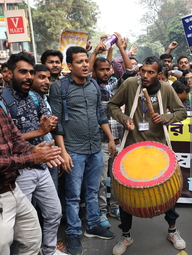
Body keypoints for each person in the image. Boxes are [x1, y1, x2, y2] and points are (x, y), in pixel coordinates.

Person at [108, 56, 187, 255]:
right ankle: (125, 235)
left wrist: (166, 117)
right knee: (126, 196)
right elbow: (112, 106)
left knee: (167, 195)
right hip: (131, 148)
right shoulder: (129, 84)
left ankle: (172, 230)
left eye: (150, 72)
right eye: (143, 70)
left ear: (159, 74)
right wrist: (124, 119)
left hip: (158, 150)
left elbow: (181, 112)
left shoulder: (167, 89)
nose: (144, 75)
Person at [49, 46, 115, 255]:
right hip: (73, 150)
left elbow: (99, 115)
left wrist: (111, 138)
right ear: (70, 66)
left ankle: (93, 225)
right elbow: (56, 124)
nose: (85, 64)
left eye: (86, 61)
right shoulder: (59, 88)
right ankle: (73, 232)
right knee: (73, 196)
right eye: (80, 61)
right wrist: (63, 152)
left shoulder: (94, 85)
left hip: (95, 147)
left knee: (93, 190)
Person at [1, 52, 66, 255]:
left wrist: (44, 142)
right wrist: (39, 135)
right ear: (8, 74)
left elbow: (18, 136)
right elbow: (11, 142)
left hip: (40, 163)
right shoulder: (3, 101)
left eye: (31, 72)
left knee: (53, 213)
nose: (28, 77)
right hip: (19, 171)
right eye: (23, 72)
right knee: (12, 233)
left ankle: (48, 250)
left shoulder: (35, 97)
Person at [92, 32, 136, 228]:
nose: (105, 72)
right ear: (93, 71)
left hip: (119, 141)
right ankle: (101, 211)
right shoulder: (91, 86)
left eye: (108, 69)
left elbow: (129, 70)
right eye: (101, 70)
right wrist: (99, 48)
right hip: (100, 142)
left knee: (117, 178)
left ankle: (115, 207)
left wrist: (120, 48)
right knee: (100, 181)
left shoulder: (116, 85)